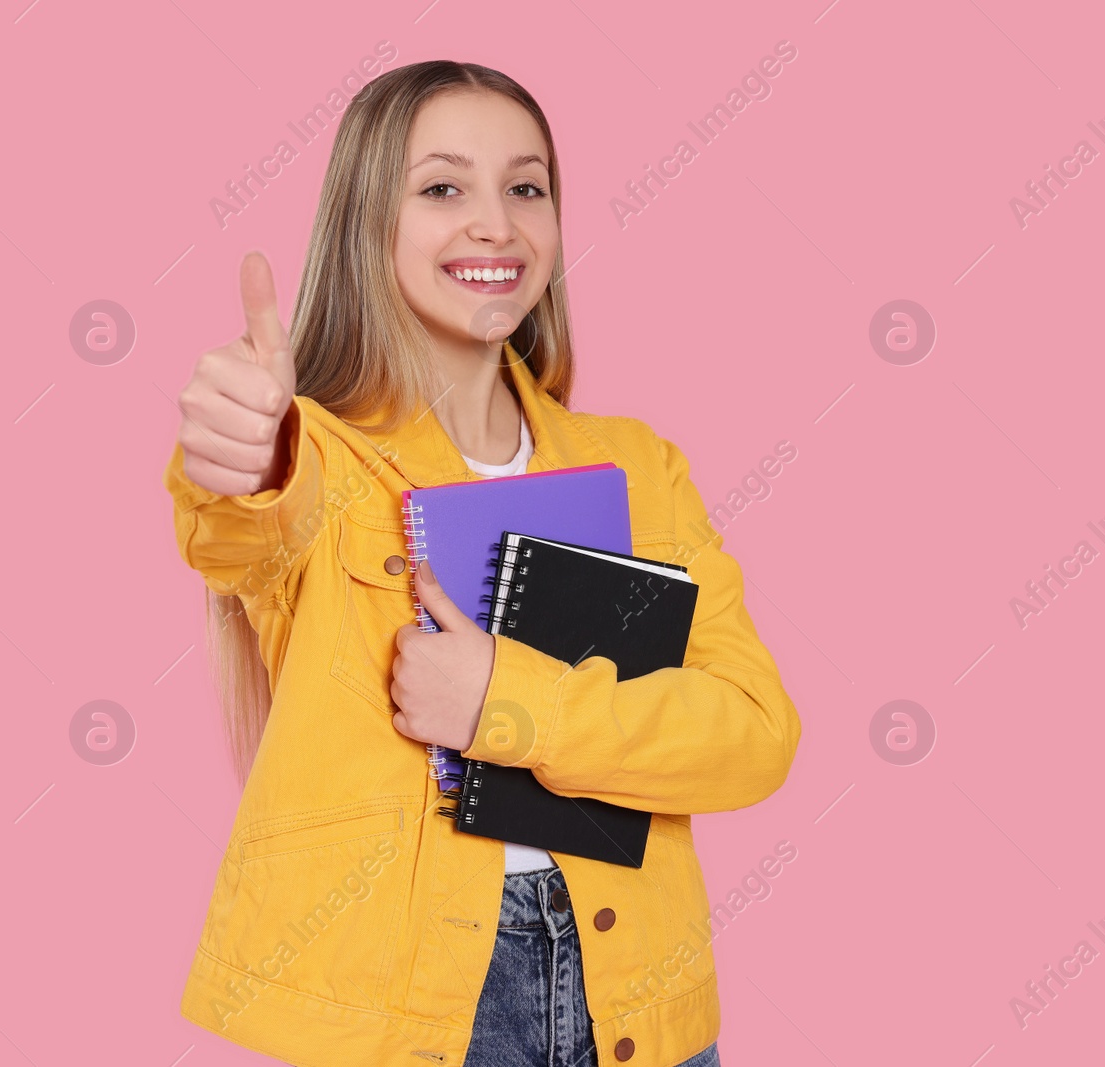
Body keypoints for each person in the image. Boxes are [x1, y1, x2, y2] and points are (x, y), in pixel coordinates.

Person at [161, 60, 801, 1067]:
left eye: (526, 186)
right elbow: (239, 527)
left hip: (641, 994)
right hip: (411, 1008)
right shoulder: (315, 456)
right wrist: (235, 451)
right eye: (443, 187)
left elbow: (752, 735)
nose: (495, 223)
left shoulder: (637, 465)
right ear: (367, 220)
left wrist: (504, 702)